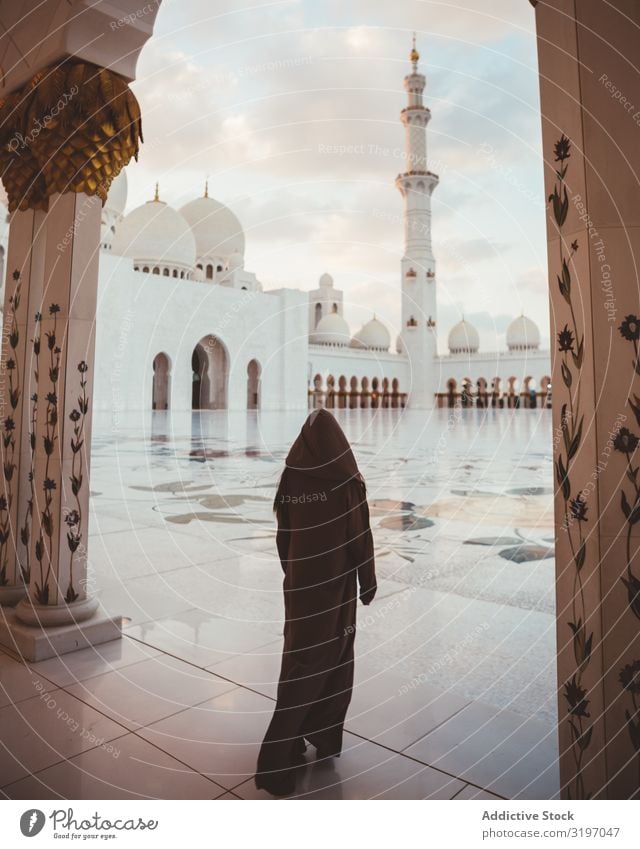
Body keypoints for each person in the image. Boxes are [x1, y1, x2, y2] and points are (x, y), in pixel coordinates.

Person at [255, 408, 377, 796]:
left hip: (300, 586)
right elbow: (360, 537)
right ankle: (274, 764)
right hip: (334, 589)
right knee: (325, 659)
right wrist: (367, 582)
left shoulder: (292, 475)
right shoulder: (346, 480)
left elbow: (283, 533)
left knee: (297, 659)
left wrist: (293, 572)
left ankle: (309, 738)